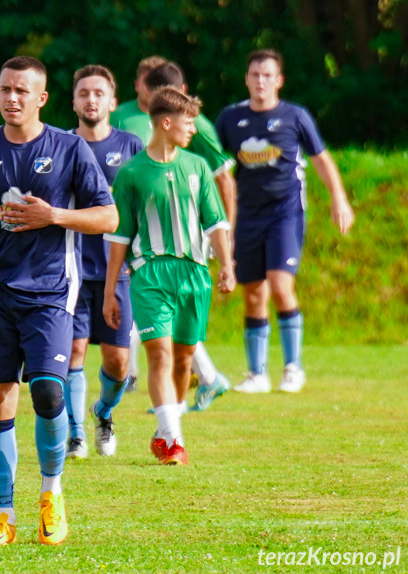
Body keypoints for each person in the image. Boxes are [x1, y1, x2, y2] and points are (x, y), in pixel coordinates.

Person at [0, 56, 117, 546]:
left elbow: (108, 217)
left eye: (21, 91)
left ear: (42, 98)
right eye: (4, 89)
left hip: (52, 291)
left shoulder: (70, 148)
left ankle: (52, 494)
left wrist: (53, 215)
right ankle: (3, 513)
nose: (11, 98)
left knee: (49, 393)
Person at [103, 87, 236, 465]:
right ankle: (175, 441)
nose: (192, 129)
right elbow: (119, 236)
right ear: (166, 123)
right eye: (187, 122)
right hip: (149, 274)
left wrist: (225, 264)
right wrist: (110, 290)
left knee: (183, 359)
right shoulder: (131, 174)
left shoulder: (197, 168)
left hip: (193, 274)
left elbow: (216, 222)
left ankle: (164, 432)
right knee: (159, 354)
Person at [215, 49, 354, 393]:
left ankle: (293, 367)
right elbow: (215, 170)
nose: (260, 81)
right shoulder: (231, 119)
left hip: (285, 212)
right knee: (253, 295)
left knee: (280, 286)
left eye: (267, 75)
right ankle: (257, 374)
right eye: (254, 74)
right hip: (247, 215)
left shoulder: (295, 116)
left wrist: (339, 197)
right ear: (246, 79)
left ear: (279, 80)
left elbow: (321, 159)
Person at [141, 61, 237, 411]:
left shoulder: (201, 130)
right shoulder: (148, 134)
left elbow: (224, 179)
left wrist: (226, 240)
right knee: (159, 317)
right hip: (156, 239)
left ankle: (201, 382)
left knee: (171, 319)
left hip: (191, 237)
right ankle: (201, 381)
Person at [65, 65, 143, 459]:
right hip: (71, 271)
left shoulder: (131, 146)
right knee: (74, 351)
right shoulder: (60, 144)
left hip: (119, 272)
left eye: (98, 93)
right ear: (74, 101)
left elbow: (145, 203)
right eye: (83, 93)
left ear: (113, 102)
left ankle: (104, 413)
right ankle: (76, 433)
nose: (90, 99)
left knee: (118, 360)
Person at [109, 55, 167, 393]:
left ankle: (195, 369)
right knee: (132, 291)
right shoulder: (121, 117)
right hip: (124, 214)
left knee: (156, 293)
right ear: (137, 84)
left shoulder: (172, 116)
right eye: (148, 80)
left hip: (159, 216)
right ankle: (129, 371)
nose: (153, 87)